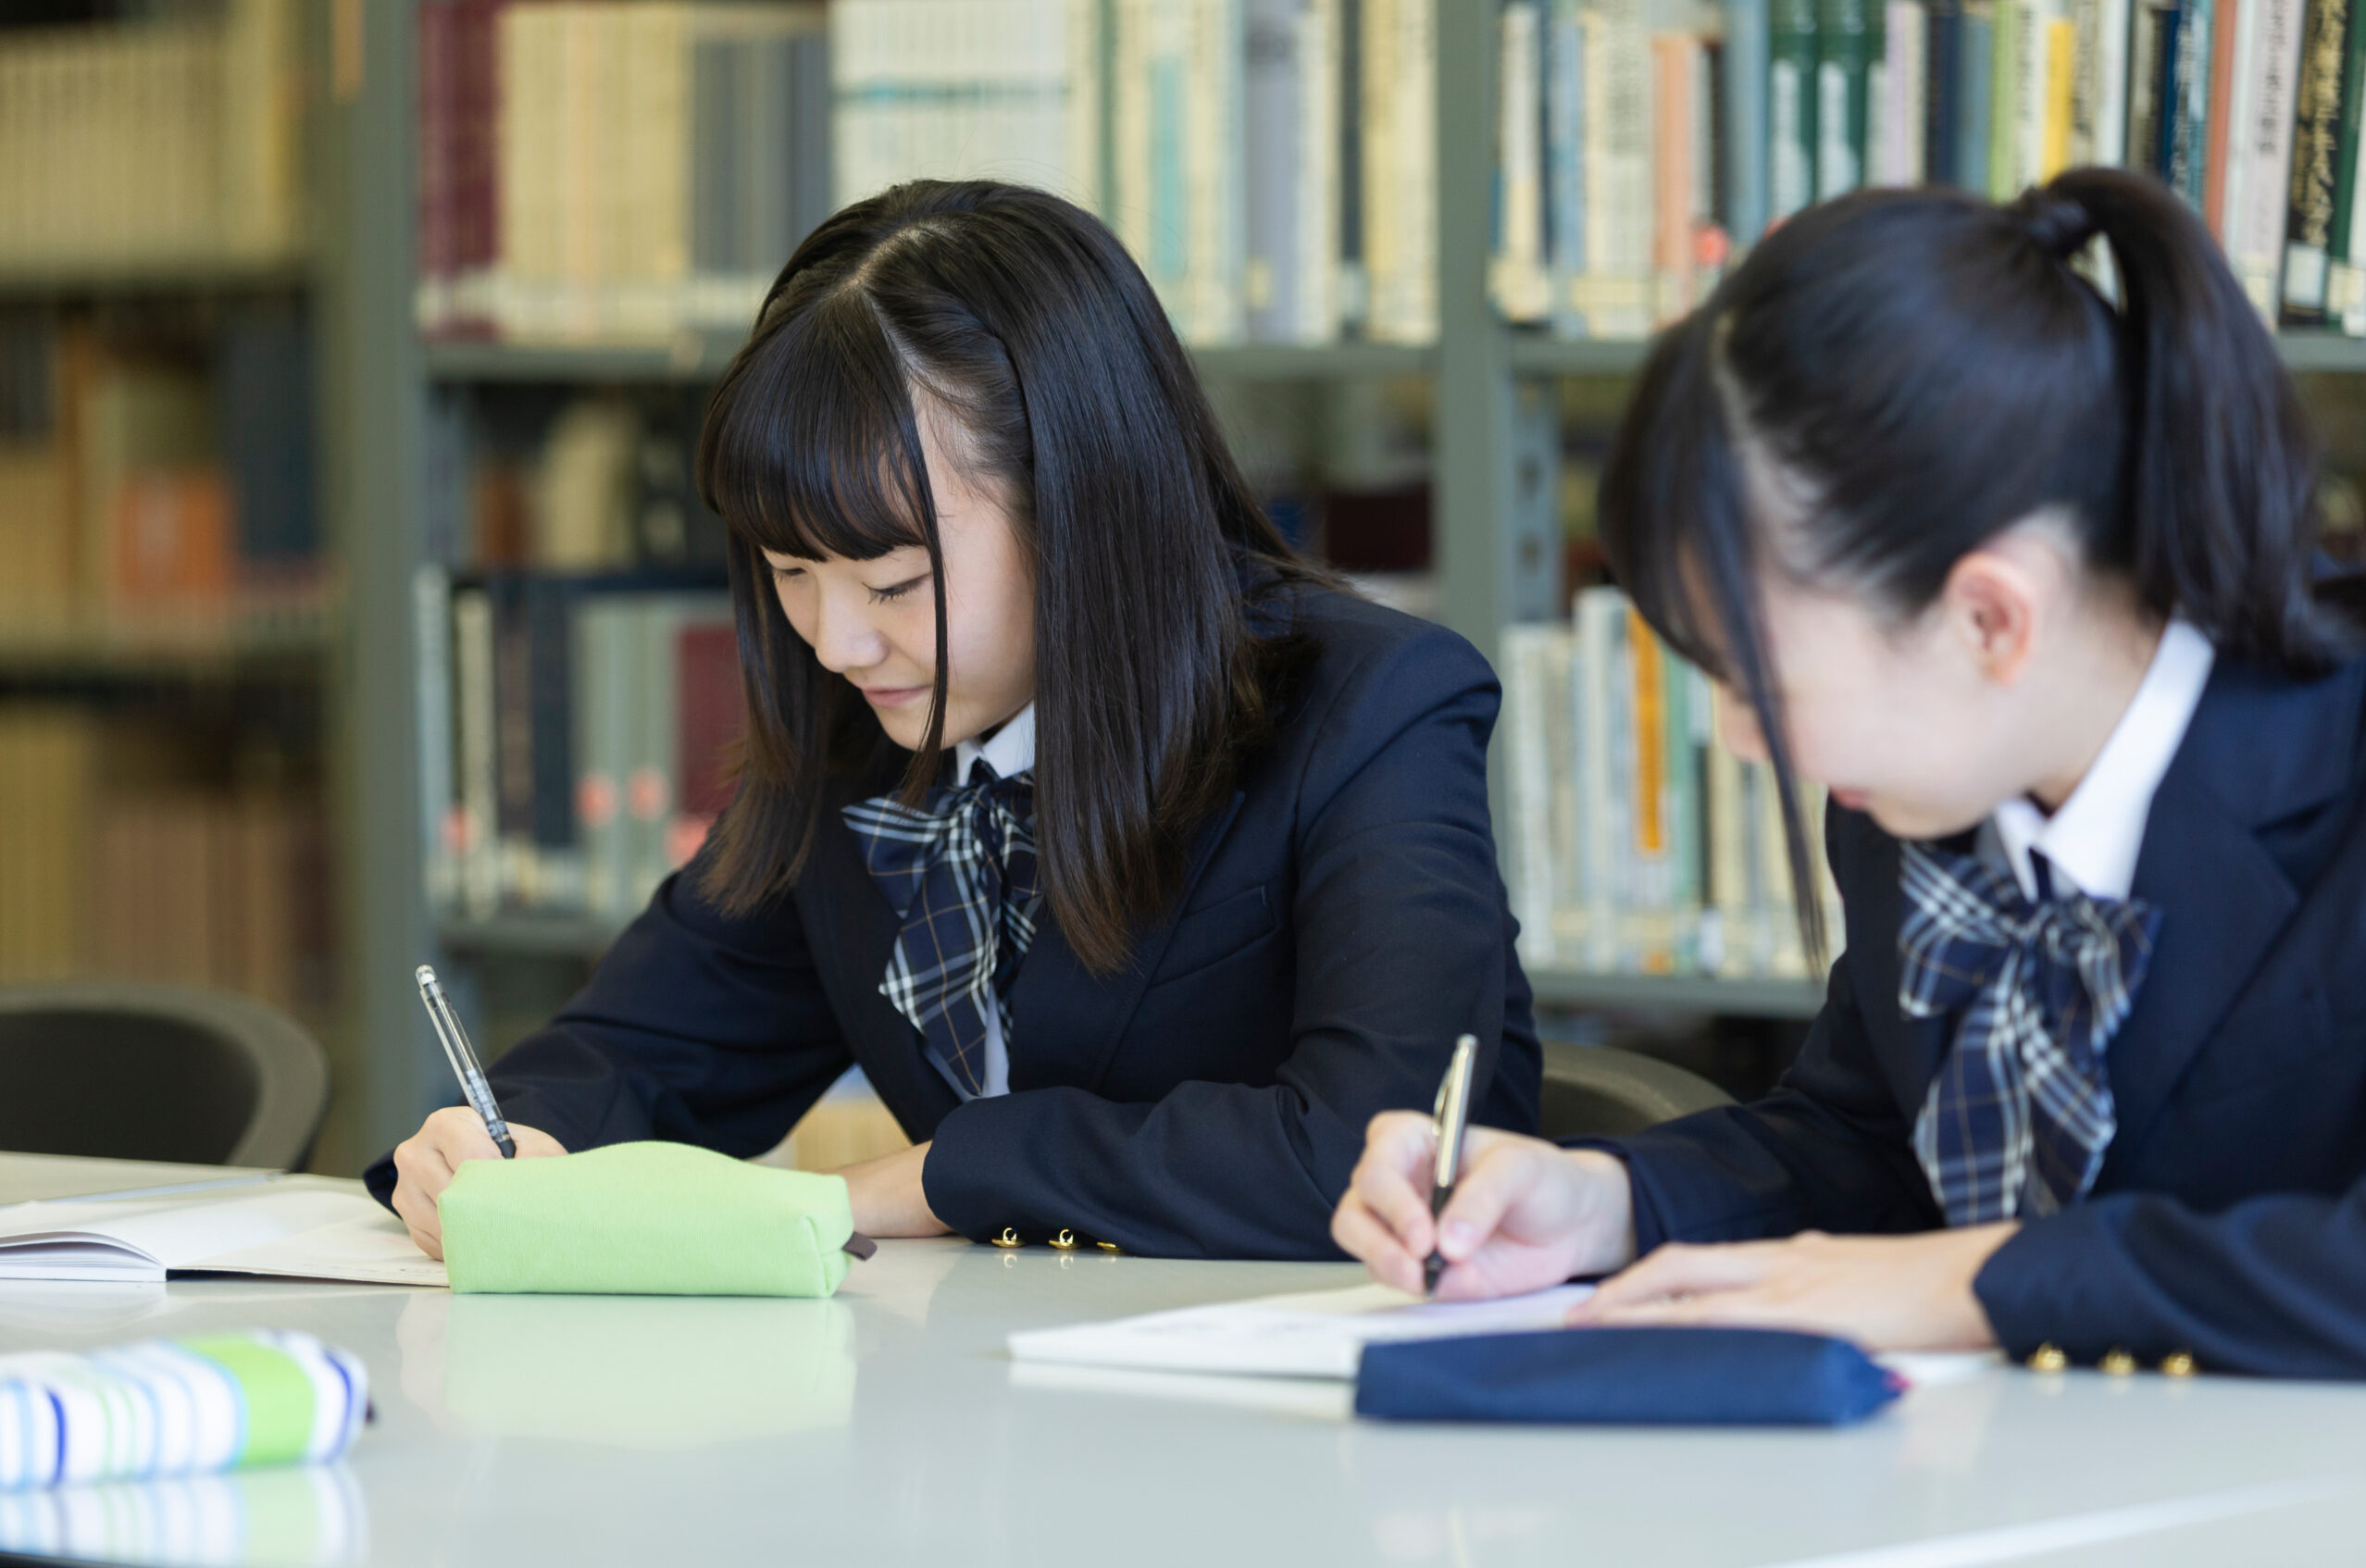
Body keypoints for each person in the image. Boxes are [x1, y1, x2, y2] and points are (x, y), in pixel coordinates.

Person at [372, 179, 1540, 1261]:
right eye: (789, 570)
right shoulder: (859, 732)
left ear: (1085, 510)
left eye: (891, 583)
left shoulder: (1372, 709)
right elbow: (646, 1051)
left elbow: (1378, 1153)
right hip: (977, 1405)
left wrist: (942, 1180)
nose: (834, 643)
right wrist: (502, 1140)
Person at [1333, 168, 2366, 1377]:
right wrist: (1600, 1198)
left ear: (1989, 617)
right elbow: (1868, 1139)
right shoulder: (1913, 795)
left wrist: (1976, 1282)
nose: (1736, 734)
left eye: (1758, 681)